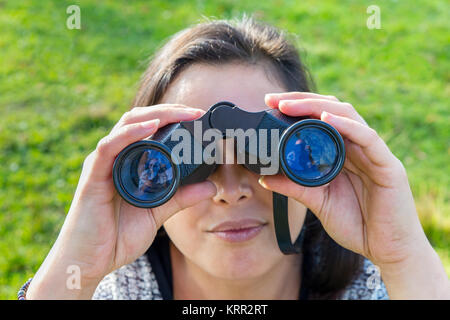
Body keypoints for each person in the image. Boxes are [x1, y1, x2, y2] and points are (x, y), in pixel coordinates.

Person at [23, 16, 449, 300]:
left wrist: (403, 254)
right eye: (188, 162)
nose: (229, 192)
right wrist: (76, 264)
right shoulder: (110, 290)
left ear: (316, 151)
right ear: (138, 173)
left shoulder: (384, 287)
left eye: (264, 156)